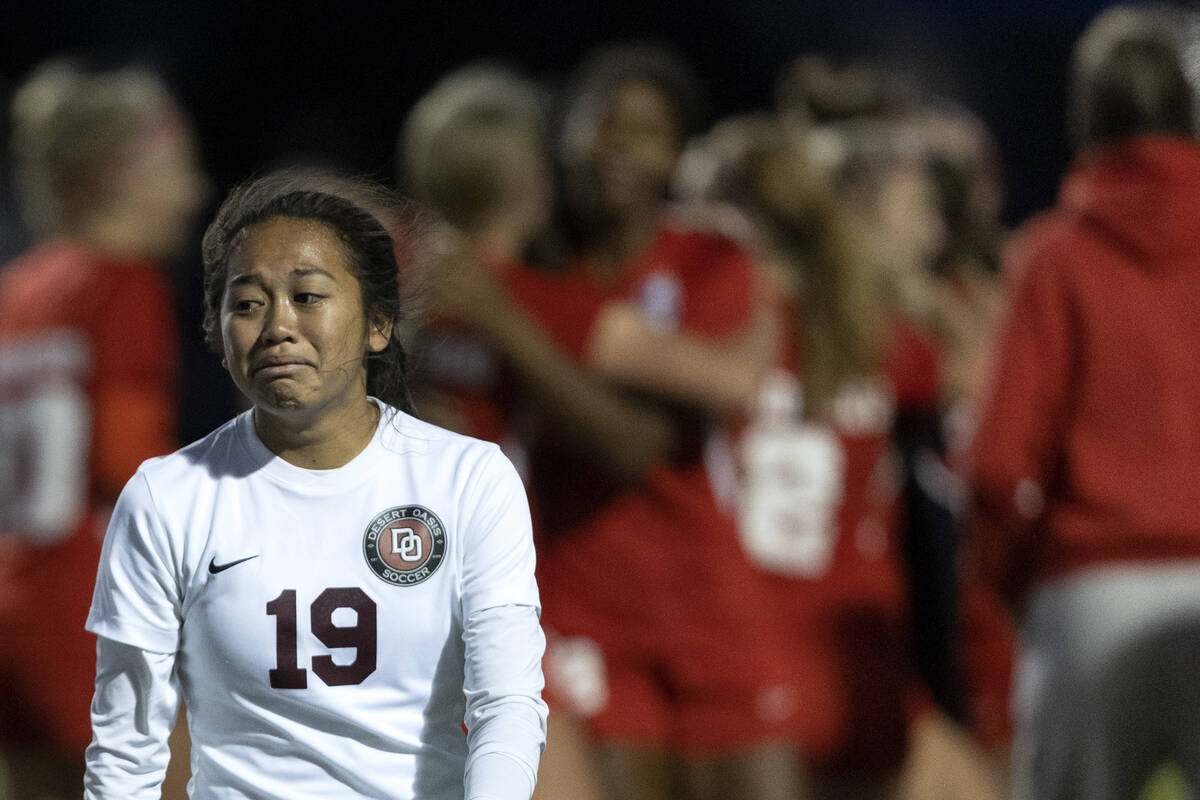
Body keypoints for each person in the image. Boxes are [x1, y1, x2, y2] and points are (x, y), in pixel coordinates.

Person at [83, 169, 547, 799]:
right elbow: (125, 748)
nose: (277, 325)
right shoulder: (166, 497)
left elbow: (508, 703)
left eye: (308, 296)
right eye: (247, 303)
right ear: (219, 338)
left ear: (378, 325)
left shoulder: (468, 479)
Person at [527, 44, 804, 800]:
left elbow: (728, 384)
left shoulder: (708, 259)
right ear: (564, 136)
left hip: (711, 601)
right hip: (588, 602)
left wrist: (562, 338)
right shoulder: (535, 264)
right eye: (602, 123)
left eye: (646, 131)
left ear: (677, 154)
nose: (619, 144)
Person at [967, 5, 1200, 799]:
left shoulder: (1056, 256)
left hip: (1093, 592)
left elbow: (997, 465)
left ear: (1085, 116)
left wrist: (1026, 581)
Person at [0, 60, 206, 800]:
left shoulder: (19, 288)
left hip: (12, 603)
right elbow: (131, 466)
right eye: (180, 166)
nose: (194, 193)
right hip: (90, 612)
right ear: (127, 173)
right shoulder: (122, 285)